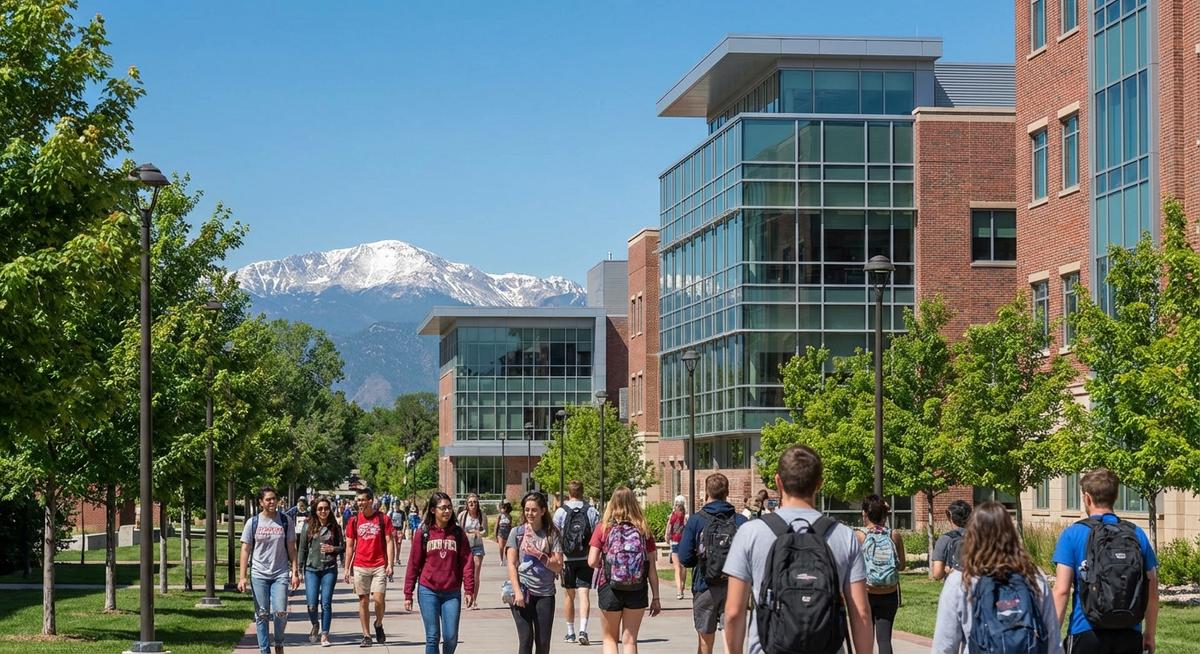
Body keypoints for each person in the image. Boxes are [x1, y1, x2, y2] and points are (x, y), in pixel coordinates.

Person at [722, 445, 873, 654]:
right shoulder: (844, 536)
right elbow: (861, 613)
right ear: (819, 484)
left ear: (778, 482)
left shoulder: (750, 533)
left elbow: (733, 612)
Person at [1052, 468, 1158, 654]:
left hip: (1085, 631)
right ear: (1115, 496)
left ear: (1087, 498)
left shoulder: (1072, 534)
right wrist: (1149, 633)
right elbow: (1152, 587)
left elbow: (1061, 591)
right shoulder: (1136, 533)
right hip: (1130, 631)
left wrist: (1051, 638)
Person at [932, 501, 1062, 654]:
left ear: (972, 535)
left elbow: (944, 645)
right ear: (1011, 534)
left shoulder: (960, 580)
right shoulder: (1033, 577)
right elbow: (1053, 641)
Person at [588, 486, 663, 654]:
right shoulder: (644, 530)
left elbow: (592, 561)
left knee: (610, 639)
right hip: (637, 587)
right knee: (630, 640)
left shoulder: (604, 528)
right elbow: (651, 567)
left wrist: (608, 562)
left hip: (609, 587)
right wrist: (656, 597)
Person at [677, 473, 746, 654]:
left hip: (705, 584)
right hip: (734, 587)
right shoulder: (740, 521)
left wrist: (702, 560)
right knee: (732, 643)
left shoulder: (696, 520)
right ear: (727, 492)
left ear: (707, 493)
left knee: (705, 643)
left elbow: (684, 557)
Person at [404, 492, 476, 654]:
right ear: (432, 510)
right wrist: (408, 593)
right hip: (428, 590)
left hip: (451, 592)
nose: (447, 511)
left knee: (451, 637)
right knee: (432, 636)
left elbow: (467, 562)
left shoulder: (458, 533)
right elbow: (414, 563)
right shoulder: (423, 533)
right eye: (442, 508)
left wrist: (469, 589)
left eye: (449, 507)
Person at [238, 485, 300, 654]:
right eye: (268, 499)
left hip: (280, 573)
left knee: (280, 612)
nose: (272, 502)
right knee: (262, 615)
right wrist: (242, 577)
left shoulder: (286, 520)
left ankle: (278, 642)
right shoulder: (253, 522)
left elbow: (292, 549)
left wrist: (295, 572)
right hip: (259, 574)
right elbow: (245, 550)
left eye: (274, 498)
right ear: (261, 503)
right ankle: (265, 650)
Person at [507, 491, 564, 654]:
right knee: (525, 640)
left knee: (543, 642)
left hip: (545, 594)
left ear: (543, 511)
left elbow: (558, 566)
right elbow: (511, 564)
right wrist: (517, 591)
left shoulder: (551, 534)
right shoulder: (517, 533)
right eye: (527, 510)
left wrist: (538, 553)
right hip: (522, 593)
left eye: (534, 510)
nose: (529, 514)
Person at [343, 488, 397, 648]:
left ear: (370, 501)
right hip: (360, 565)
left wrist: (391, 564)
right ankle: (366, 635)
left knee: (379, 599)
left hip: (379, 564)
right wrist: (346, 568)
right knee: (363, 600)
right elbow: (350, 546)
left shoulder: (383, 519)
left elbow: (389, 541)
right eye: (358, 500)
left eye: (363, 500)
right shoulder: (353, 521)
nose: (360, 503)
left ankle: (378, 623)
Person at [855, 495, 906, 654]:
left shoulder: (859, 536)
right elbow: (902, 566)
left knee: (865, 639)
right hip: (889, 594)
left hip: (866, 594)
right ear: (885, 514)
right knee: (884, 640)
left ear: (865, 513)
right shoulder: (893, 535)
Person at [553, 481, 600, 645]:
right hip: (586, 558)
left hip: (567, 559)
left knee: (568, 595)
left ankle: (570, 632)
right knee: (584, 594)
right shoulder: (592, 511)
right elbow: (597, 536)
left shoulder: (560, 512)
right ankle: (583, 630)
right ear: (583, 492)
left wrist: (558, 558)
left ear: (569, 492)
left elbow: (555, 536)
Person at [299, 496, 344, 647]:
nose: (323, 511)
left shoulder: (335, 527)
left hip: (329, 569)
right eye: (320, 509)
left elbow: (342, 546)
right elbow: (302, 549)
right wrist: (298, 569)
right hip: (311, 569)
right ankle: (315, 624)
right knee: (311, 604)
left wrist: (334, 549)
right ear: (315, 510)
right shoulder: (308, 526)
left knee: (326, 603)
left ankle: (325, 634)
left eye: (326, 508)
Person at [457, 493, 489, 609]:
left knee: (476, 572)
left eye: (475, 502)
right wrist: (466, 534)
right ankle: (466, 597)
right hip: (465, 546)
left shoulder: (482, 515)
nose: (472, 504)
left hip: (477, 546)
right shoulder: (462, 515)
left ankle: (474, 599)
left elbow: (486, 531)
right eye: (470, 502)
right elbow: (457, 529)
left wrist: (478, 533)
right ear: (467, 503)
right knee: (465, 573)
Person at [931, 499, 972, 581]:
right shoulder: (980, 537)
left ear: (949, 514)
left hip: (954, 588)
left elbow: (937, 574)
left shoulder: (945, 539)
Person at [667, 496, 688, 600]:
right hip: (684, 543)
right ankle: (683, 585)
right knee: (684, 566)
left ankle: (679, 590)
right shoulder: (686, 517)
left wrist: (668, 539)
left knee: (677, 567)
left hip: (675, 542)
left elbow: (668, 530)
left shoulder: (672, 516)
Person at [496, 500, 514, 566]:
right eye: (501, 508)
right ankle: (501, 559)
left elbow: (510, 525)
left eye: (504, 508)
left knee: (507, 547)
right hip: (500, 532)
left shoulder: (509, 516)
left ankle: (506, 559)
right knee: (501, 547)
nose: (503, 509)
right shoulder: (499, 516)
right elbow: (496, 525)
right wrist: (496, 535)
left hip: (508, 532)